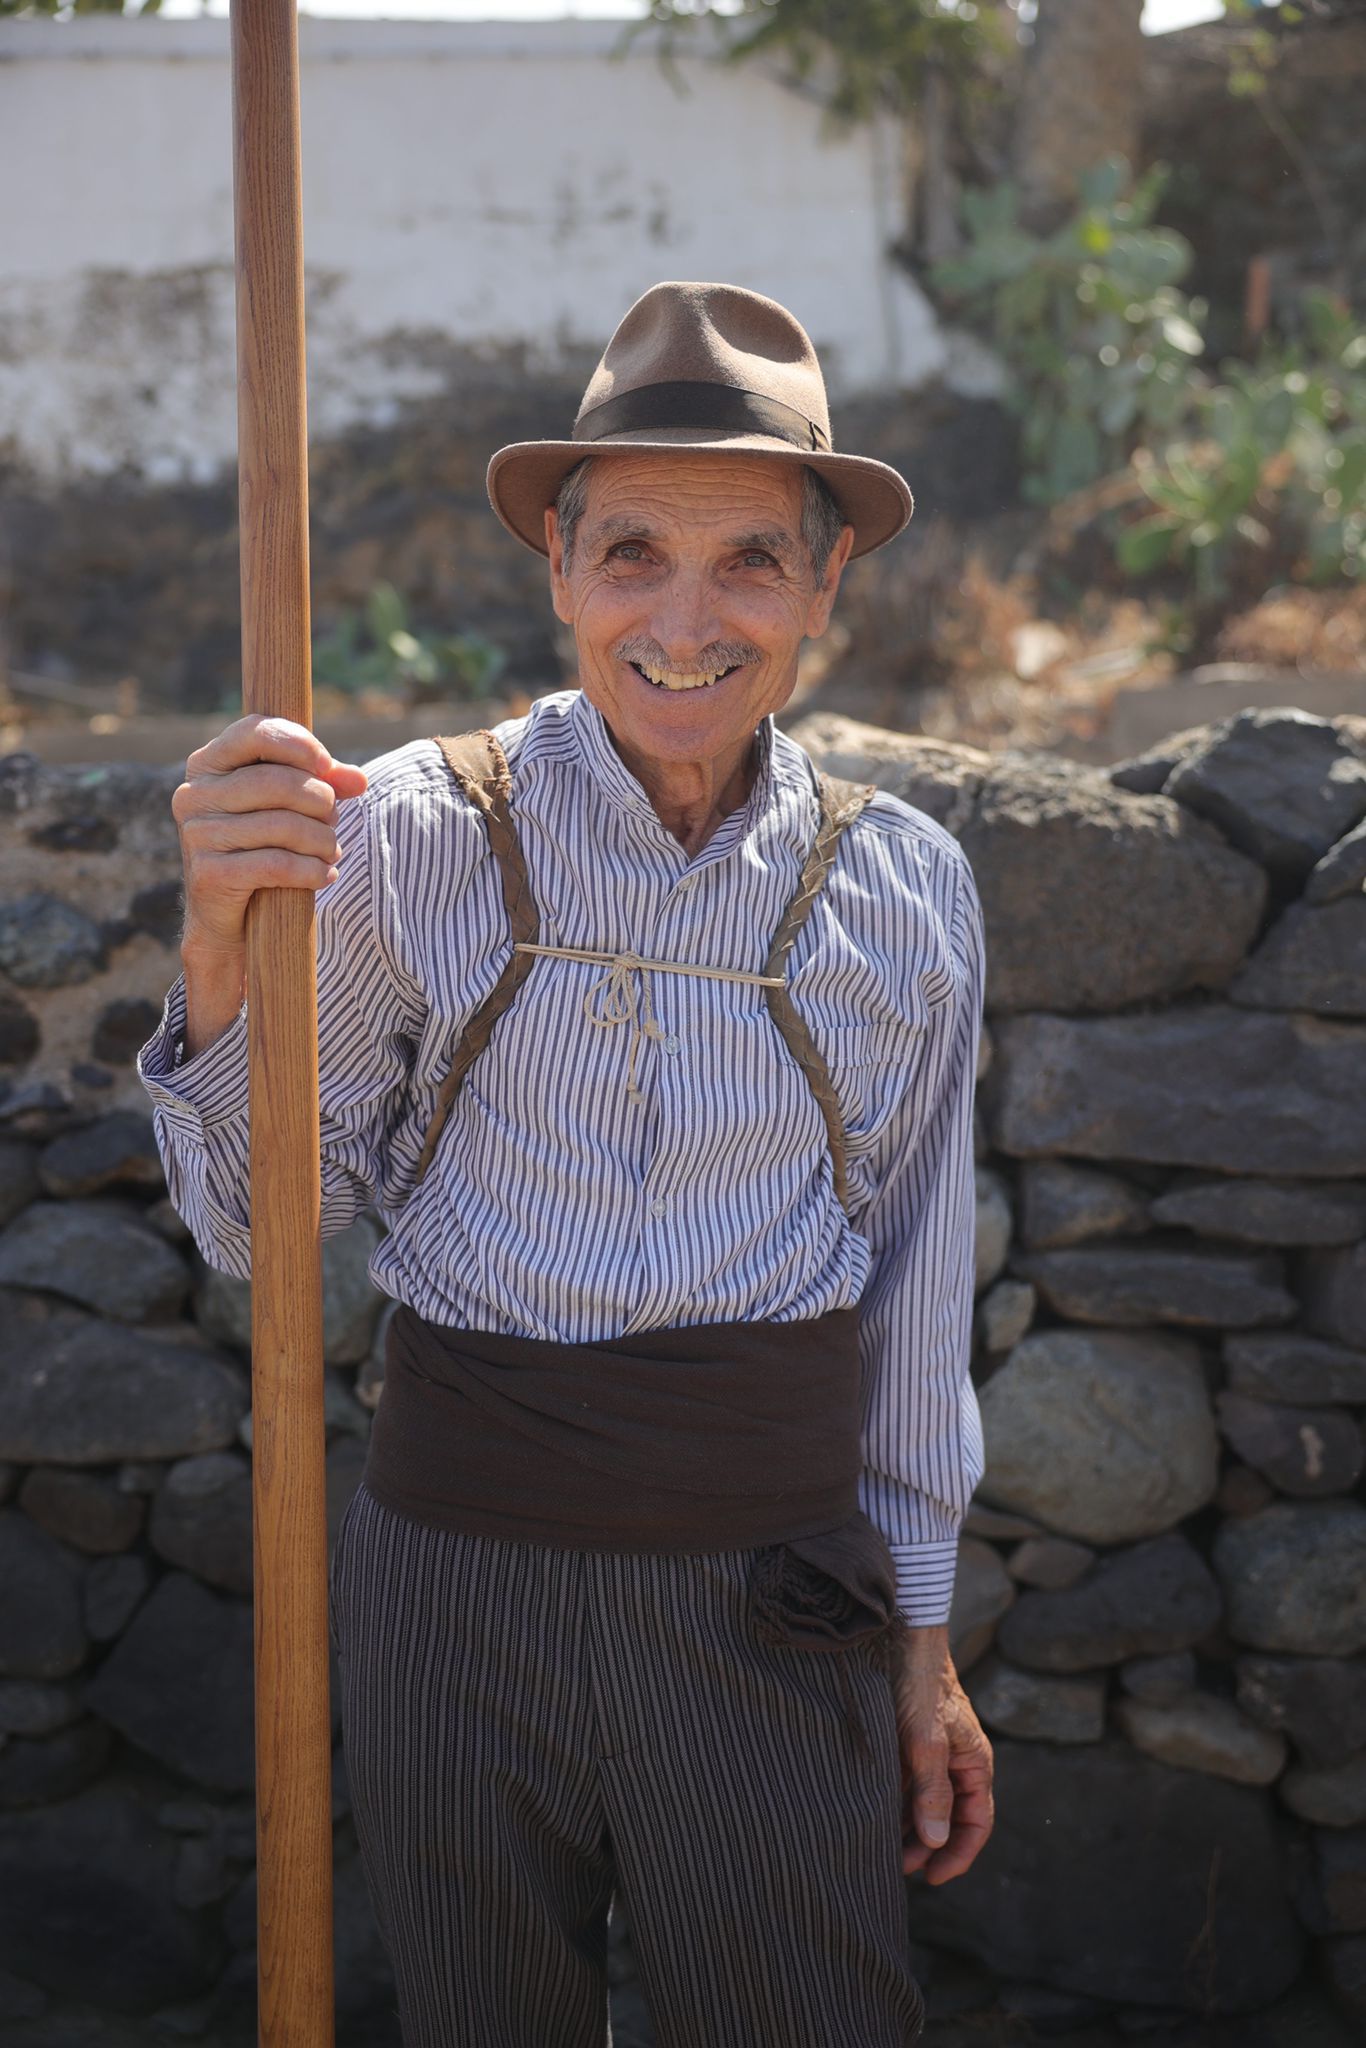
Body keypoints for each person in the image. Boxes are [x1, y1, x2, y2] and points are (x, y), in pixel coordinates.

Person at [138, 279, 995, 2048]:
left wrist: (921, 1631)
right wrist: (224, 947)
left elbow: (916, 1287)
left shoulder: (907, 882)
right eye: (630, 556)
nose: (684, 619)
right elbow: (255, 1236)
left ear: (831, 585)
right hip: (457, 1575)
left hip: (775, 1579)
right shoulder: (387, 839)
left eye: (752, 559)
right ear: (557, 573)